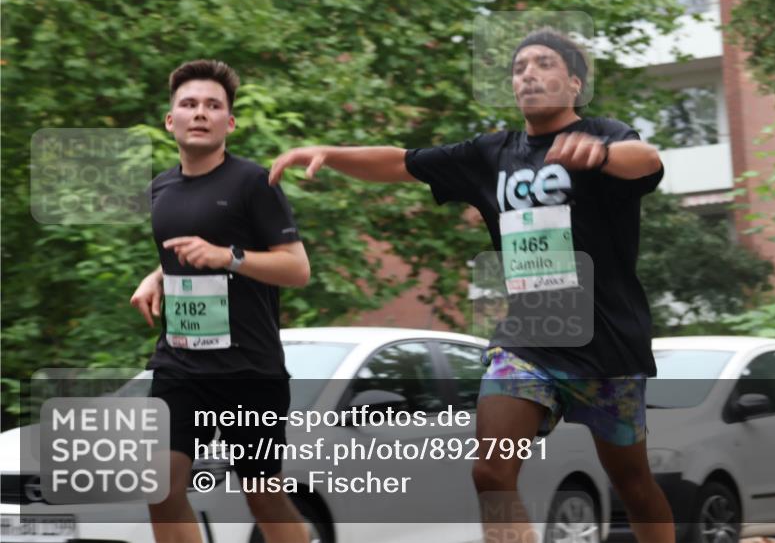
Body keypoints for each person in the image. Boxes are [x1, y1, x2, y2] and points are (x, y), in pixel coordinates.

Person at [269, 29, 675, 543]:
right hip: (529, 343)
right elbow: (402, 161)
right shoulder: (493, 154)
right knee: (490, 472)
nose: (528, 73)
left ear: (574, 82)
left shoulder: (605, 134)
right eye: (519, 66)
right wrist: (330, 151)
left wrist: (597, 154)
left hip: (609, 345)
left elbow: (648, 160)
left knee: (633, 482)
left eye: (544, 64)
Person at [129, 60, 311, 543]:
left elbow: (296, 268)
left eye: (213, 105)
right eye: (189, 104)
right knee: (160, 486)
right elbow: (186, 255)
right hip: (181, 364)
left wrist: (227, 257)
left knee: (263, 495)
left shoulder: (253, 182)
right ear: (172, 120)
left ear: (229, 122)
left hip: (248, 368)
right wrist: (157, 279)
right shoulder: (161, 189)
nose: (200, 113)